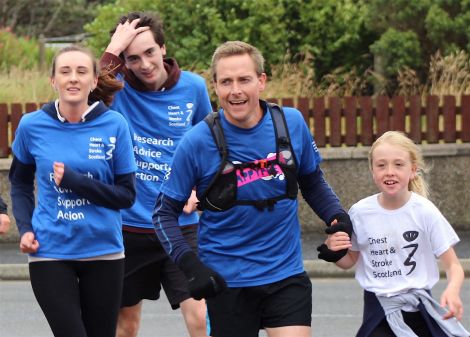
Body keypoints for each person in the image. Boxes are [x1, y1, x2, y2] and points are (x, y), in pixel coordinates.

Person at [152, 40, 352, 337]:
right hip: (227, 280)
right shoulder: (196, 142)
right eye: (226, 82)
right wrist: (190, 264)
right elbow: (163, 214)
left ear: (261, 81)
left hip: (285, 274)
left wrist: (336, 216)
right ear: (215, 87)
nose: (236, 91)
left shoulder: (291, 124)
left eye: (244, 79)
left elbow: (311, 180)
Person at [8, 45, 137, 337]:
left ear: (94, 81)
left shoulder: (115, 125)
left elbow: (126, 196)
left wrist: (75, 181)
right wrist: (26, 228)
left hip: (104, 251)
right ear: (53, 80)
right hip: (51, 252)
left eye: (81, 71)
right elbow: (19, 183)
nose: (73, 78)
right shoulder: (32, 126)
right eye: (65, 72)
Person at [100, 11, 213, 337]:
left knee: (201, 316)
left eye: (150, 52)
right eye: (132, 57)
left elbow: (210, 147)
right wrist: (113, 48)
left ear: (163, 48)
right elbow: (87, 94)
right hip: (128, 228)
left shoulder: (194, 87)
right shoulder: (116, 89)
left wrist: (199, 189)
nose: (145, 64)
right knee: (126, 325)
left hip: (181, 225)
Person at [324, 131, 470, 337]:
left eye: (398, 164)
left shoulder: (424, 211)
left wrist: (453, 290)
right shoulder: (360, 212)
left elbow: (454, 265)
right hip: (378, 311)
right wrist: (334, 251)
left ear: (413, 170)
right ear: (372, 171)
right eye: (381, 165)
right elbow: (349, 261)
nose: (389, 171)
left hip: (420, 310)